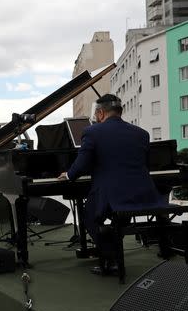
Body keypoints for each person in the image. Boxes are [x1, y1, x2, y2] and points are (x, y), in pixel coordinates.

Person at [59, 94, 164, 274]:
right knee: (122, 212)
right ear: (120, 111)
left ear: (100, 113)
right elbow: (146, 165)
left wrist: (69, 175)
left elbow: (82, 164)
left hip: (112, 192)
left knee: (89, 216)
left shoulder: (92, 132)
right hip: (142, 191)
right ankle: (114, 250)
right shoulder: (141, 134)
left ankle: (111, 257)